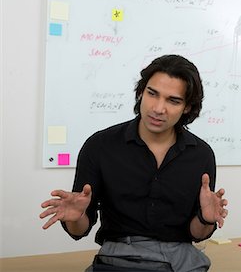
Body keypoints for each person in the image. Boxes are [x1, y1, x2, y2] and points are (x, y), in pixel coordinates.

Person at [40, 54, 228, 272]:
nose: (158, 108)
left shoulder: (201, 155)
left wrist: (205, 219)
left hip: (180, 261)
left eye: (173, 100)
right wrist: (76, 217)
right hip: (119, 259)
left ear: (187, 107)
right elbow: (78, 230)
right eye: (152, 94)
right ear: (141, 92)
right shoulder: (100, 146)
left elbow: (197, 234)